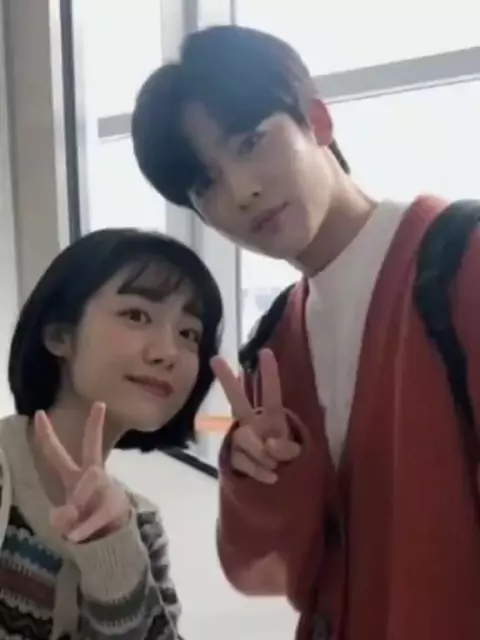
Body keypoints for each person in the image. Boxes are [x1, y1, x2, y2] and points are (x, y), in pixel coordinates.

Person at [130, 24, 480, 640]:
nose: (242, 191)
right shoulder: (275, 344)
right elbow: (270, 575)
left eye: (251, 142)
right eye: (205, 183)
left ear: (317, 121)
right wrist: (264, 477)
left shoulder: (461, 262)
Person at [0, 228, 223, 639]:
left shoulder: (140, 524)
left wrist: (114, 555)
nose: (168, 353)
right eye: (136, 315)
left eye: (188, 333)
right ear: (59, 335)